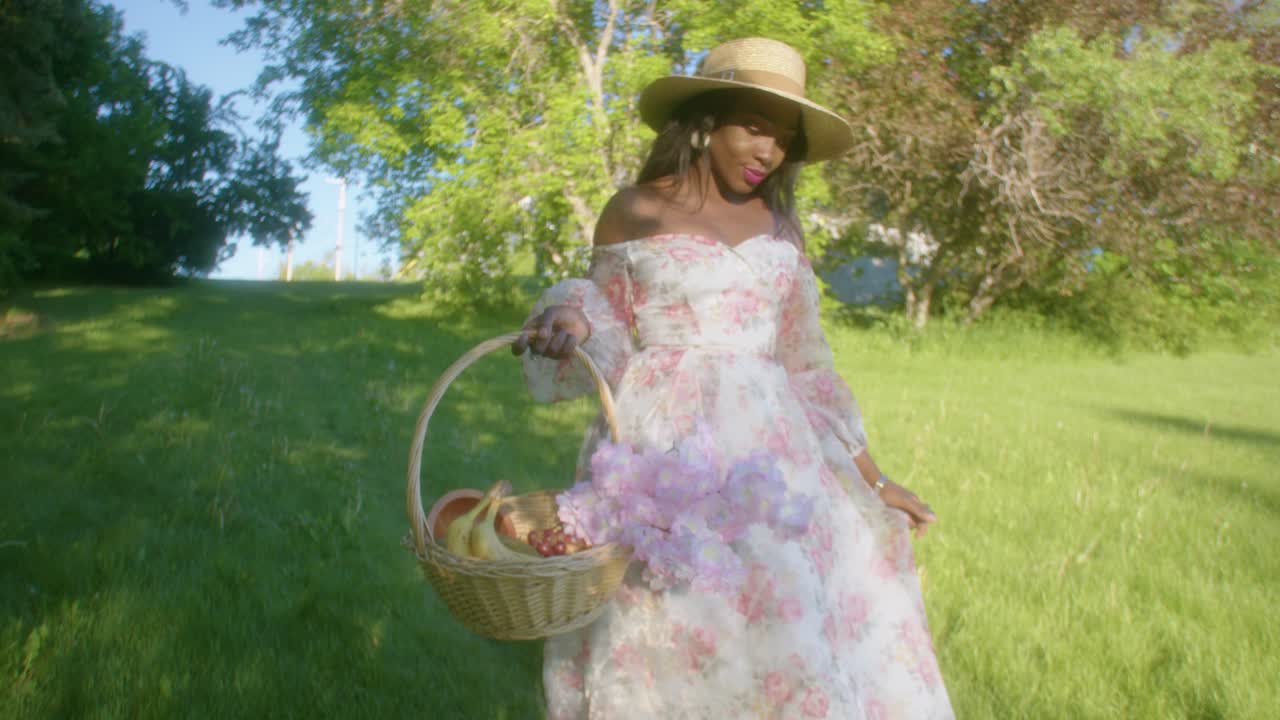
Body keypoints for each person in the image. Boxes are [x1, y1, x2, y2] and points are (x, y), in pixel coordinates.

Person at [512, 37, 954, 719]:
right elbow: (607, 323)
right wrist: (572, 318)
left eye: (782, 139)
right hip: (661, 449)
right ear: (706, 122)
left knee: (781, 615)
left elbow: (808, 368)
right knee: (663, 614)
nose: (768, 151)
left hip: (770, 460)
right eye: (753, 126)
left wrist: (874, 479)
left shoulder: (782, 230)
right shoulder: (633, 210)